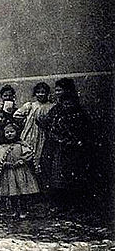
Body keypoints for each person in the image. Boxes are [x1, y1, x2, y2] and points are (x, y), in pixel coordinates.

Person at [38, 77, 92, 212]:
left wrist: (68, 139)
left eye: (59, 90)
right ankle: (59, 204)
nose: (57, 93)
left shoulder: (73, 108)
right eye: (56, 90)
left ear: (67, 91)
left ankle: (71, 204)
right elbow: (50, 122)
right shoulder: (58, 107)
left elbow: (78, 127)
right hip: (57, 146)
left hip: (69, 148)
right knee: (56, 175)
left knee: (69, 175)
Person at [0, 122, 40, 217]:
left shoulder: (21, 145)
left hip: (20, 171)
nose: (9, 134)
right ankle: (14, 210)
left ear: (16, 132)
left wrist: (22, 160)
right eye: (7, 132)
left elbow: (29, 154)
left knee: (22, 191)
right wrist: (4, 164)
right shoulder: (2, 147)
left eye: (12, 132)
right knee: (12, 192)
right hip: (9, 173)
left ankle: (23, 210)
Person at [13, 82, 54, 185]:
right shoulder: (31, 105)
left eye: (43, 92)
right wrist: (25, 121)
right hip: (30, 134)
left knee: (40, 159)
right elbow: (16, 115)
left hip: (44, 135)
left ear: (47, 93)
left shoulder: (51, 106)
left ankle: (41, 186)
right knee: (28, 157)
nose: (40, 94)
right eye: (38, 92)